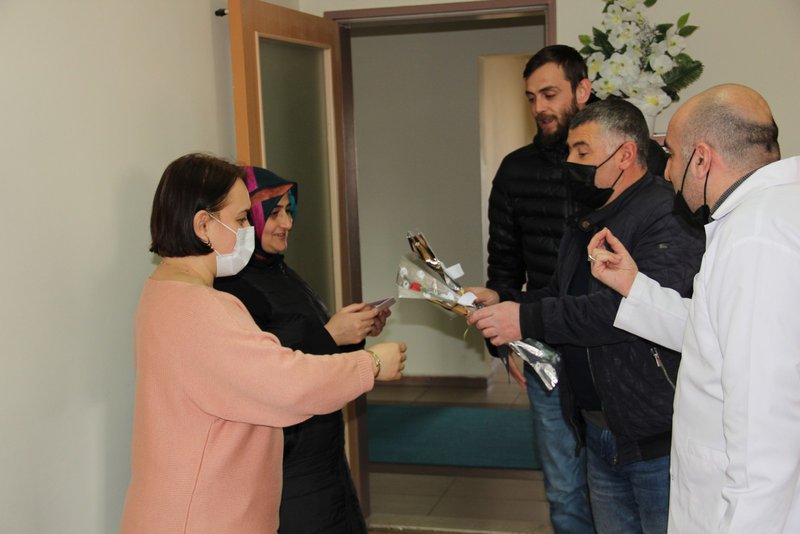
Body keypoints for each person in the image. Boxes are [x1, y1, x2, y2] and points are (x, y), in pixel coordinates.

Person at [120, 153, 407, 534]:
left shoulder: (164, 291)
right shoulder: (200, 307)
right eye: (241, 219)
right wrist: (371, 364)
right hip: (203, 518)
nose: (248, 230)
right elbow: (287, 384)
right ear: (203, 225)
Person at [470, 99, 704, 533]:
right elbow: (562, 294)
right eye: (570, 152)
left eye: (582, 151)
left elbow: (623, 311)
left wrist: (525, 321)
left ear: (625, 155)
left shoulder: (666, 215)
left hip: (655, 437)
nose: (570, 164)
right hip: (599, 429)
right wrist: (504, 299)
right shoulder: (589, 217)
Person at [588, 84, 800, 533]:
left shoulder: (754, 239)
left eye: (671, 155)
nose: (667, 173)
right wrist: (634, 287)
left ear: (701, 158)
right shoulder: (773, 212)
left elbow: (763, 430)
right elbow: (716, 336)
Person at [214, 167, 389, 533]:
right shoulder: (232, 288)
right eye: (274, 213)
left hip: (322, 452)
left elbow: (312, 346)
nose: (287, 223)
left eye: (289, 211)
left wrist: (353, 334)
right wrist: (331, 336)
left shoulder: (281, 272)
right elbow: (264, 372)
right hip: (289, 464)